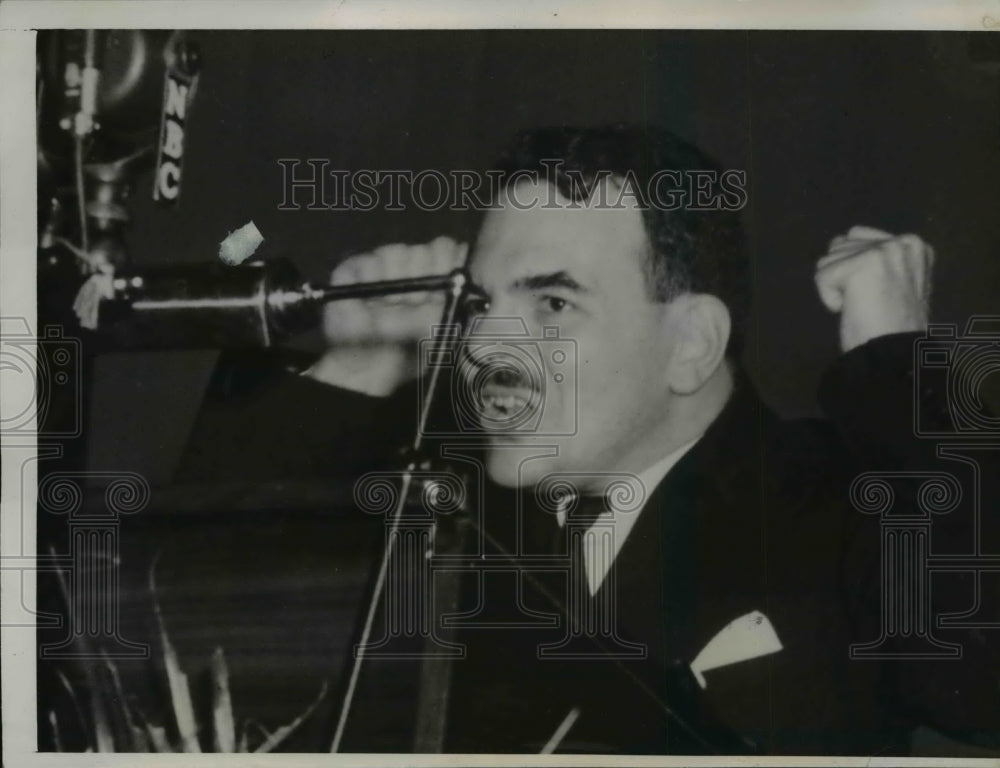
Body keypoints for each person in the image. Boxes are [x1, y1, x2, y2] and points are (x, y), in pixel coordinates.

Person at [176, 125, 998, 754]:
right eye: (480, 304)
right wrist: (350, 370)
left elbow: (974, 679)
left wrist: (900, 365)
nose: (487, 346)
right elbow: (168, 656)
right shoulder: (433, 510)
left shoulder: (842, 499)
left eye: (553, 305)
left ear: (691, 345)